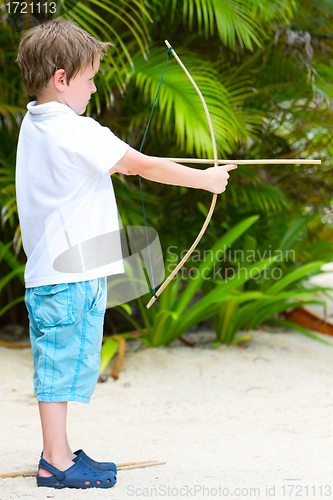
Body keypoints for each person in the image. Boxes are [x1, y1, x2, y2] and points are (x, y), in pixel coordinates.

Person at [15, 18, 237, 489]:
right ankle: (54, 463)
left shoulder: (37, 122)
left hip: (67, 273)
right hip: (66, 276)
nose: (94, 89)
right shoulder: (75, 130)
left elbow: (93, 169)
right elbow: (141, 165)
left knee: (65, 363)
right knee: (57, 368)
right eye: (90, 79)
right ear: (62, 79)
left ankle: (61, 450)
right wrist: (205, 178)